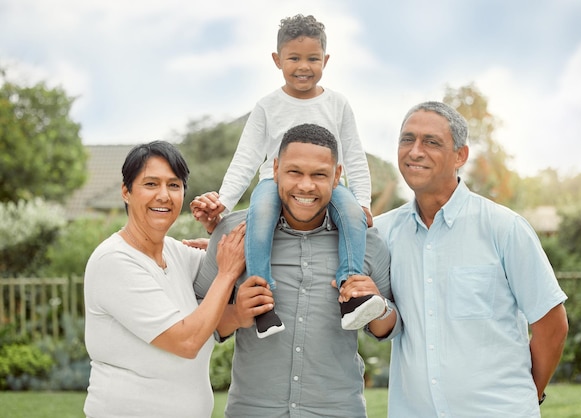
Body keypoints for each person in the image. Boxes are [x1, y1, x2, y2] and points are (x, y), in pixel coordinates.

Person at [191, 14, 383, 338]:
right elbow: (246, 159)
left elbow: (353, 156)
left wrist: (363, 201)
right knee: (260, 213)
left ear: (327, 59)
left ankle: (351, 290)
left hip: (328, 185)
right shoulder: (268, 106)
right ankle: (262, 296)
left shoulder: (337, 104)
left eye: (313, 58)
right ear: (277, 60)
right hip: (274, 183)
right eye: (294, 58)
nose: (303, 66)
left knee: (352, 214)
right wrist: (223, 203)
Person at [375, 101, 569, 417]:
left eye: (431, 142)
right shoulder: (382, 234)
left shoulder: (504, 228)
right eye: (407, 139)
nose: (415, 151)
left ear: (460, 156)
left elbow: (552, 326)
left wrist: (523, 399)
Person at [194, 123, 400, 417]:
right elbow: (198, 320)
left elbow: (391, 327)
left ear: (337, 175)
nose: (306, 186)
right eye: (295, 172)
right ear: (275, 169)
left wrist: (378, 306)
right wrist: (236, 315)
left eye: (319, 174)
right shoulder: (233, 233)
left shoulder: (366, 242)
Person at [83, 141, 247, 418]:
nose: (164, 195)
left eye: (174, 185)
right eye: (150, 184)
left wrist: (219, 231)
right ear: (126, 192)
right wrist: (226, 272)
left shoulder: (177, 253)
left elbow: (233, 280)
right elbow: (186, 341)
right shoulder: (114, 261)